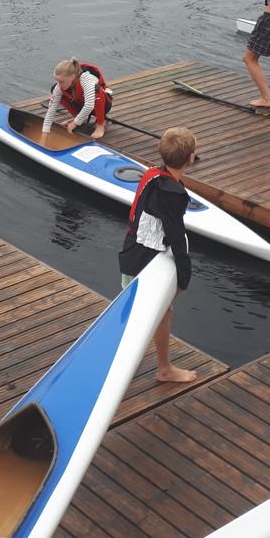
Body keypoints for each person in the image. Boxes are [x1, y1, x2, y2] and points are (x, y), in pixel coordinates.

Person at [118, 128, 199, 385]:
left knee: (138, 308)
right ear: (191, 159)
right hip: (144, 260)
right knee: (163, 313)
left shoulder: (154, 173)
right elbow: (176, 236)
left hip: (131, 251)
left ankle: (131, 349)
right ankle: (164, 369)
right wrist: (182, 280)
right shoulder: (171, 193)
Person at [41, 59, 113, 145]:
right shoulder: (59, 87)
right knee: (54, 90)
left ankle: (100, 124)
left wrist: (75, 123)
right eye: (58, 81)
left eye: (62, 82)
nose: (59, 85)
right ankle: (78, 117)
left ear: (72, 77)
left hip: (103, 105)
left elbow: (89, 105)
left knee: (96, 91)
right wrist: (44, 136)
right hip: (82, 103)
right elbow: (51, 111)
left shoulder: (85, 78)